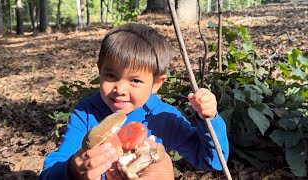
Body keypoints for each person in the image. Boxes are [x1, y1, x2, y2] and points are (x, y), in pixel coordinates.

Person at [39, 23, 229, 180]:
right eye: (111, 75)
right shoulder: (87, 114)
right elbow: (49, 173)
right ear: (100, 70)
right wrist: (73, 169)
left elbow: (213, 160)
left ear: (156, 83)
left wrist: (208, 119)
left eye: (135, 81)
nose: (120, 89)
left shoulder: (162, 117)